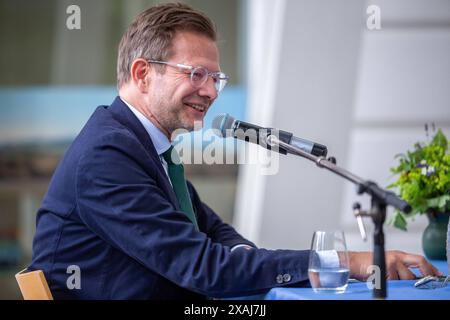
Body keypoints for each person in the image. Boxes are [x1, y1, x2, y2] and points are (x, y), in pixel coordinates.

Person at [29, 3, 441, 299]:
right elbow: (203, 268)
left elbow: (211, 232)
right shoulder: (107, 155)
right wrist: (345, 262)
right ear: (142, 74)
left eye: (216, 78)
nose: (210, 91)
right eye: (196, 74)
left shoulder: (144, 146)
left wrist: (242, 256)